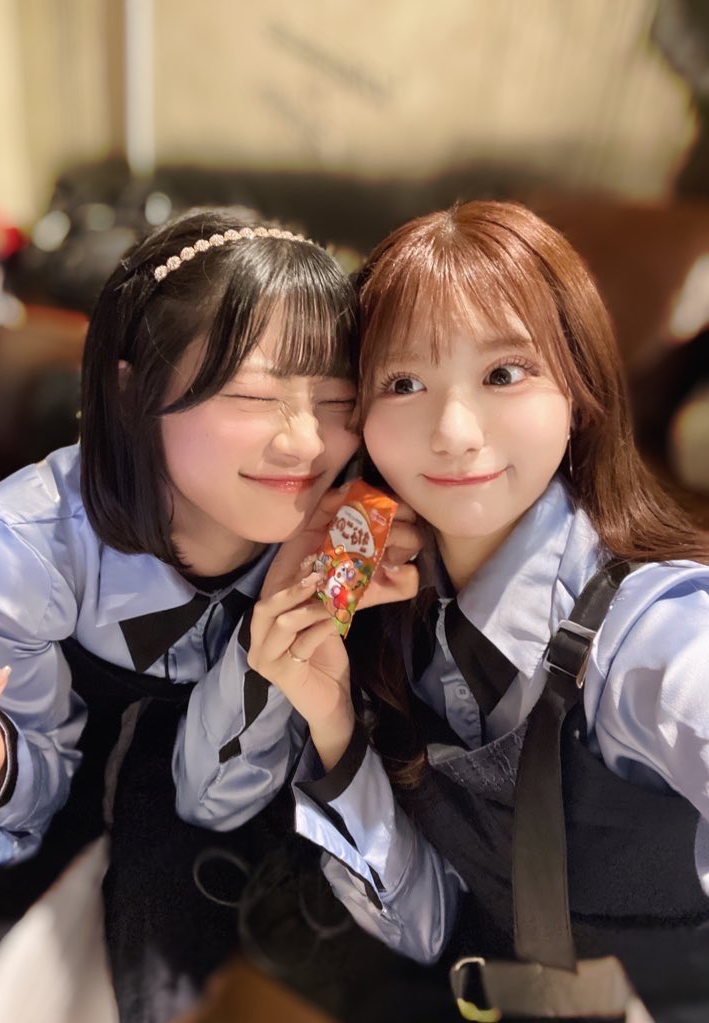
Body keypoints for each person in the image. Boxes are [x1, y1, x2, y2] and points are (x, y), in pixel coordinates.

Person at [248, 201, 709, 1022]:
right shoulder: (395, 624)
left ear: (579, 390)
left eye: (504, 373)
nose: (455, 432)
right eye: (404, 383)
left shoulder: (648, 627)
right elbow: (429, 923)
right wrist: (332, 725)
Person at [0, 207, 418, 1022]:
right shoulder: (21, 548)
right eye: (252, 394)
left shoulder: (347, 534)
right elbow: (35, 796)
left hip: (228, 855)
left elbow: (214, 800)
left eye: (337, 398)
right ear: (132, 389)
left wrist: (275, 638)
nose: (305, 443)